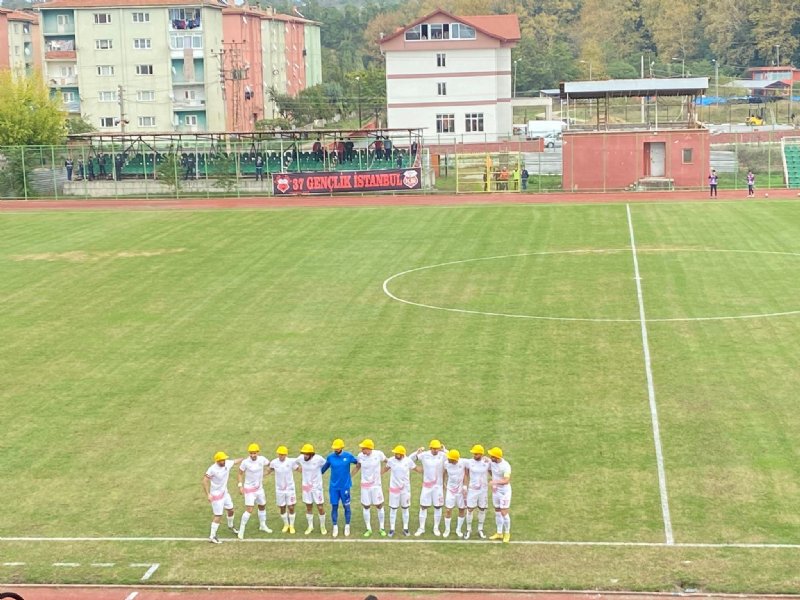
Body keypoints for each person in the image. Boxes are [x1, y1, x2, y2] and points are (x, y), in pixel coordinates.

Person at [202, 451, 244, 544]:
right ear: (217, 461)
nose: (224, 461)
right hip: (216, 496)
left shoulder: (227, 463)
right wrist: (208, 494)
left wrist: (244, 459)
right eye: (222, 460)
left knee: (231, 510)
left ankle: (231, 526)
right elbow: (204, 481)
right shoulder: (212, 469)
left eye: (224, 459)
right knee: (218, 516)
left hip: (225, 493)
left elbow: (235, 461)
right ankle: (212, 536)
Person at [321, 438, 358, 538]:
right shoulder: (330, 457)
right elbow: (323, 470)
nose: (335, 450)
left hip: (345, 487)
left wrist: (352, 474)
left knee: (347, 506)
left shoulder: (348, 456)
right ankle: (335, 526)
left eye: (337, 448)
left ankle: (347, 525)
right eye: (334, 448)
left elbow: (358, 462)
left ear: (341, 447)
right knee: (334, 506)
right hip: (333, 487)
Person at [382, 445, 420, 537]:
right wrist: (376, 476)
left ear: (402, 454)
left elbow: (417, 469)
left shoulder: (408, 461)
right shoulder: (391, 460)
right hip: (394, 490)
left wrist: (428, 473)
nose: (395, 454)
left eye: (397, 453)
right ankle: (392, 529)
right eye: (395, 453)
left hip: (405, 490)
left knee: (405, 508)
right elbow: (385, 469)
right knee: (393, 509)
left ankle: (405, 528)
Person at [236, 443, 272, 539]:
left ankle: (262, 525)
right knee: (249, 509)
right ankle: (241, 529)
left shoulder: (262, 459)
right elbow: (240, 473)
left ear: (258, 452)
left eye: (254, 453)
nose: (252, 455)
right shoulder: (245, 462)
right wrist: (240, 486)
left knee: (262, 505)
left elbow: (271, 465)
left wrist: (267, 472)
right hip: (249, 490)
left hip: (259, 489)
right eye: (251, 453)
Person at [353, 439, 387, 537]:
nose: (362, 450)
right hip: (365, 487)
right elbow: (357, 467)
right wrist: (349, 477)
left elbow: (388, 462)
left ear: (369, 449)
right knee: (366, 506)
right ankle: (368, 528)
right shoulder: (360, 456)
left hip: (376, 486)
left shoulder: (378, 454)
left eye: (363, 448)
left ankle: (382, 528)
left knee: (379, 505)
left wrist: (382, 472)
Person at [414, 439, 447, 537]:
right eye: (433, 448)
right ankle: (421, 528)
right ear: (430, 448)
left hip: (438, 486)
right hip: (427, 486)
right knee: (423, 506)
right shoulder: (424, 455)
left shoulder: (443, 455)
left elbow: (454, 457)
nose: (435, 450)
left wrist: (445, 450)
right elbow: (411, 459)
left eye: (437, 448)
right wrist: (417, 452)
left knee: (438, 506)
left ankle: (436, 527)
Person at [297, 443, 327, 535]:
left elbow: (326, 464)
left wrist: (320, 473)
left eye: (306, 454)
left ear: (311, 454)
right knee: (308, 506)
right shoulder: (301, 458)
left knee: (320, 507)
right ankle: (310, 526)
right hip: (306, 488)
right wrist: (299, 470)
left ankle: (323, 526)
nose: (304, 455)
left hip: (317, 488)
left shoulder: (318, 459)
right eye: (303, 453)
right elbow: (293, 463)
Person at [268, 445, 300, 533]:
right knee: (282, 507)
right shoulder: (274, 462)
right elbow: (269, 470)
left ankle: (292, 525)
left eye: (283, 454)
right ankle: (286, 524)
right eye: (280, 454)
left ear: (286, 455)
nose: (281, 456)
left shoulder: (291, 462)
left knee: (291, 507)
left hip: (290, 488)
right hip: (279, 489)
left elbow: (298, 469)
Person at [464, 444, 490, 540]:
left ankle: (480, 529)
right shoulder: (469, 462)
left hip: (483, 490)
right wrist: (465, 486)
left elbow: (493, 470)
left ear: (481, 454)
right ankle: (468, 529)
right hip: (472, 490)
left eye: (476, 454)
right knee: (470, 509)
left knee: (482, 509)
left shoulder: (487, 462)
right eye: (473, 453)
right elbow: (466, 474)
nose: (474, 455)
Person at [488, 447, 512, 543]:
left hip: (504, 492)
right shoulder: (492, 462)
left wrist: (495, 482)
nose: (490, 457)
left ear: (496, 457)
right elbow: (491, 471)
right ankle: (499, 533)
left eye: (492, 456)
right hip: (496, 491)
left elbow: (506, 480)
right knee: (497, 511)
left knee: (504, 512)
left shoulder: (506, 466)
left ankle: (507, 533)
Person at [442, 449, 468, 538]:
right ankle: (447, 529)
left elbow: (466, 474)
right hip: (450, 490)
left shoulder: (463, 462)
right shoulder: (446, 464)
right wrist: (443, 483)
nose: (448, 459)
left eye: (450, 458)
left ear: (455, 460)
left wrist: (465, 485)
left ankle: (458, 529)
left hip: (461, 491)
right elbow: (444, 473)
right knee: (448, 509)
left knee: (461, 509)